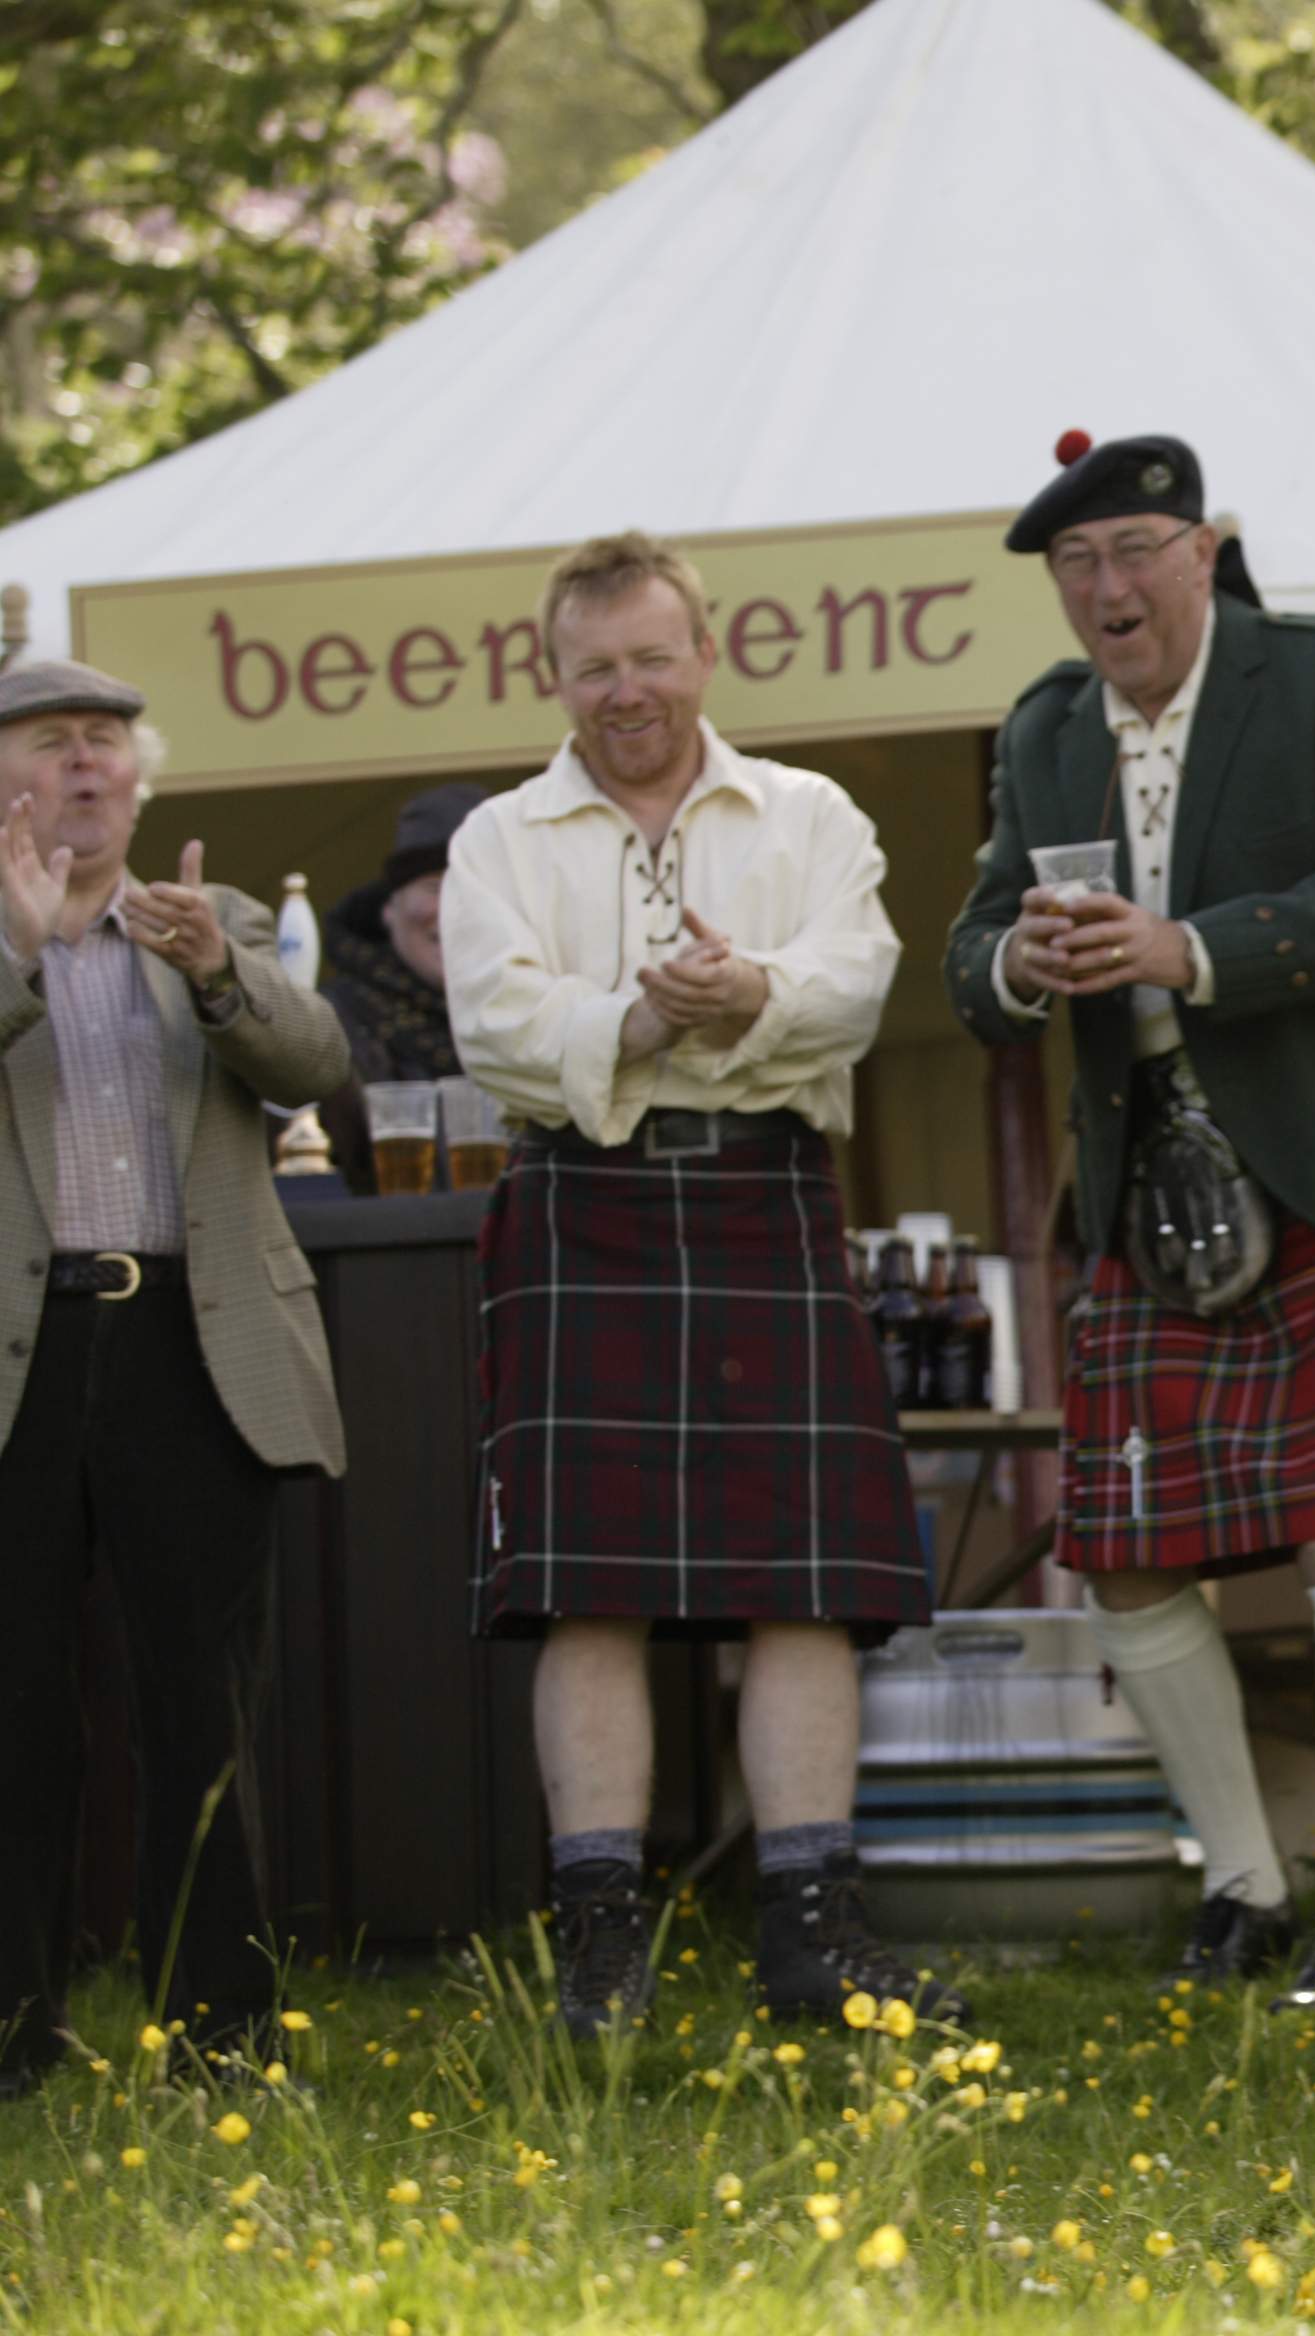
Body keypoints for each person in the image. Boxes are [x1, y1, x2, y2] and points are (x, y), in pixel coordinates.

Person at [944, 429, 1315, 2011]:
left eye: (1133, 554)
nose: (1108, 591)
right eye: (1077, 567)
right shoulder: (1043, 731)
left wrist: (1185, 950)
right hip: (1148, 1178)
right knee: (1119, 1555)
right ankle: (1246, 1881)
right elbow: (976, 936)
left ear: (1202, 552)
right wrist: (1018, 969)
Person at [445, 533, 960, 2039]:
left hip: (766, 1198)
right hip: (581, 1206)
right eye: (596, 666)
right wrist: (647, 1026)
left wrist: (755, 999)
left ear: (703, 655)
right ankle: (602, 1945)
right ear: (555, 676)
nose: (627, 692)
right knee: (582, 1592)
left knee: (805, 1585)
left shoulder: (808, 815)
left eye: (652, 658)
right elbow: (496, 1024)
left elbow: (856, 984)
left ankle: (813, 1933)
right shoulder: (499, 840)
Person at [0, 658, 350, 2100]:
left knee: (195, 1705)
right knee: (15, 1704)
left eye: (108, 746)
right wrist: (23, 959)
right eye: (52, 746)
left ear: (142, 779)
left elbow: (314, 1056)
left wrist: (213, 966)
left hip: (192, 1346)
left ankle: (219, 2033)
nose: (89, 770)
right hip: (24, 1356)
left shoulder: (214, 922)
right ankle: (14, 2034)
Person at [318, 782, 486, 1191]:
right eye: (435, 886)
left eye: (479, 887)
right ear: (389, 909)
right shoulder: (331, 1025)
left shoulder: (550, 1015)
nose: (454, 912)